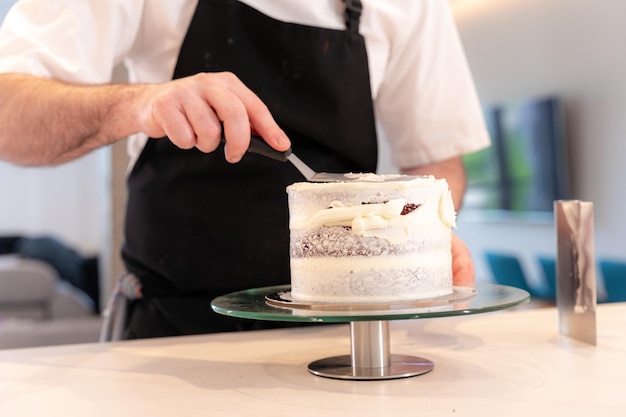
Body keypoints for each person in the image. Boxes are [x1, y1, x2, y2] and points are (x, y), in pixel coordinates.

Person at [0, 0, 490, 338]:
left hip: (346, 337)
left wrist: (421, 231)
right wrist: (140, 104)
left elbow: (437, 158)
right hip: (173, 335)